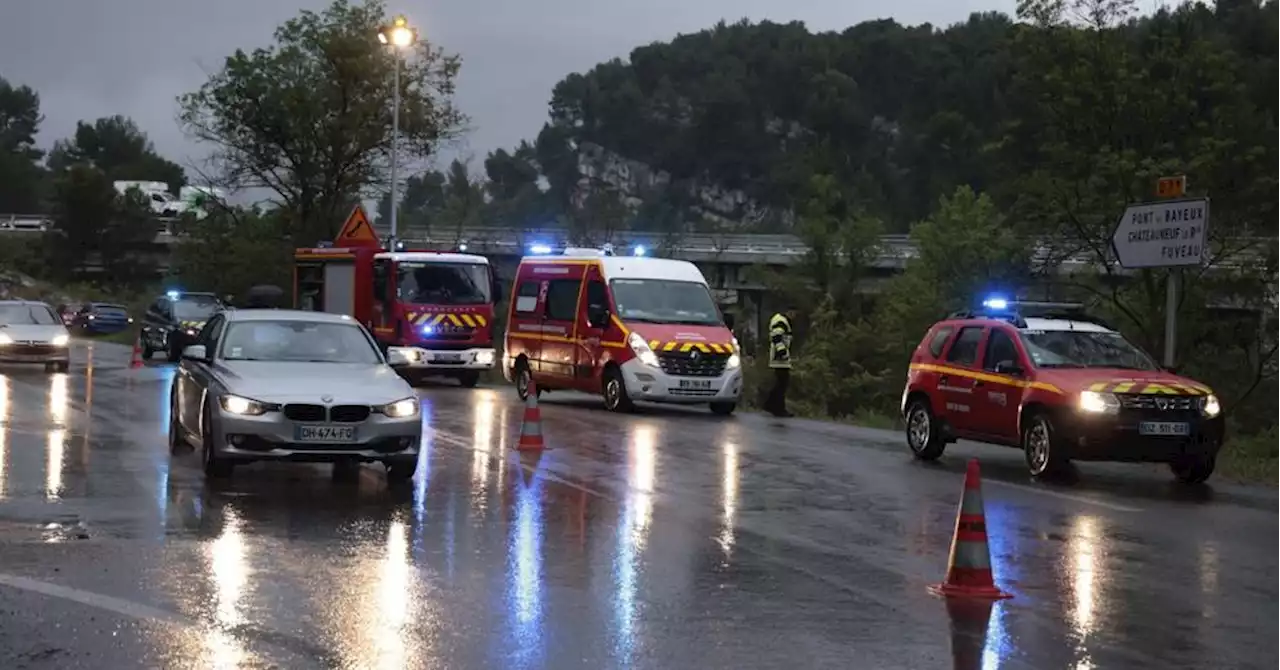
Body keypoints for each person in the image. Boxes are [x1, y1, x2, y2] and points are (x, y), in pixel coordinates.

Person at [765, 309, 795, 417]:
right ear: (789, 311)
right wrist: (782, 351)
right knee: (782, 383)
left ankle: (771, 405)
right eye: (794, 313)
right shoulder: (781, 321)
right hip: (779, 357)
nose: (794, 316)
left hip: (781, 356)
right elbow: (777, 337)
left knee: (781, 382)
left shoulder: (781, 320)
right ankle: (777, 408)